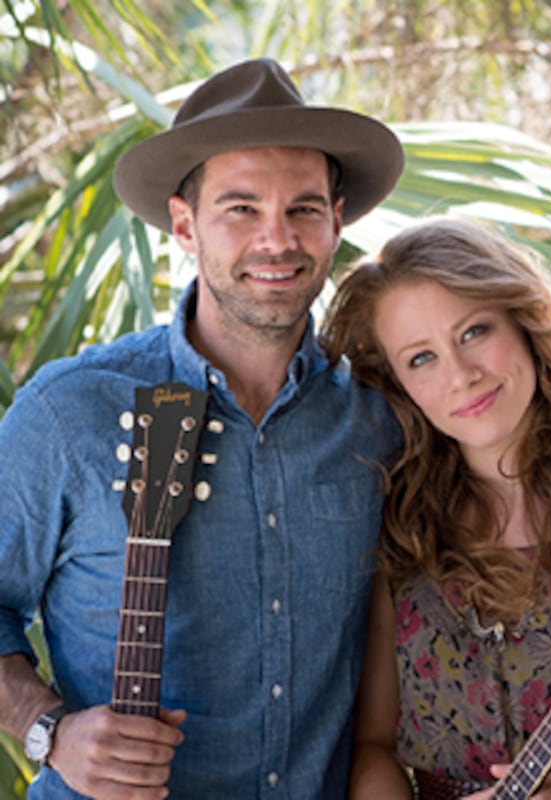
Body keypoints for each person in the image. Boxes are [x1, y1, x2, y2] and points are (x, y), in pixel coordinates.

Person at [0, 58, 404, 797]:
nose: (277, 240)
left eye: (304, 209)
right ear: (185, 224)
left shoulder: (382, 417)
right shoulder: (71, 412)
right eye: (241, 208)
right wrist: (48, 730)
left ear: (337, 220)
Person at [321, 218, 551, 800]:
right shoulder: (398, 527)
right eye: (421, 359)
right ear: (397, 383)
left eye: (474, 331)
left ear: (523, 319)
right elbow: (375, 748)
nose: (462, 375)